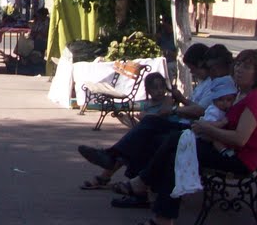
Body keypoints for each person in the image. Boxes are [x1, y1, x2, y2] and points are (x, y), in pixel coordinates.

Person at [112, 50, 257, 223]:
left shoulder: (254, 100)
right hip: (222, 148)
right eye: (238, 64)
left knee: (176, 145)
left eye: (246, 67)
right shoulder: (239, 94)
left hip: (237, 160)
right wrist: (206, 128)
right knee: (172, 144)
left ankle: (143, 185)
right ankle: (157, 210)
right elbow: (224, 122)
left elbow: (240, 139)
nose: (239, 69)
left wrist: (206, 129)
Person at [78, 42, 231, 189]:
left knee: (148, 129)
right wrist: (180, 101)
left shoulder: (218, 85)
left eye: (194, 68)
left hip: (196, 129)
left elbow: (201, 112)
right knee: (144, 131)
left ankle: (119, 172)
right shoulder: (206, 83)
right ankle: (115, 171)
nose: (192, 72)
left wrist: (174, 109)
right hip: (189, 125)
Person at [170, 75, 238, 198]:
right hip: (202, 135)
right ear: (215, 100)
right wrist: (220, 123)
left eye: (229, 100)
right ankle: (224, 151)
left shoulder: (225, 110)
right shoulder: (214, 110)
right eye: (221, 100)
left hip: (211, 134)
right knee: (214, 139)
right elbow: (207, 125)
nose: (225, 103)